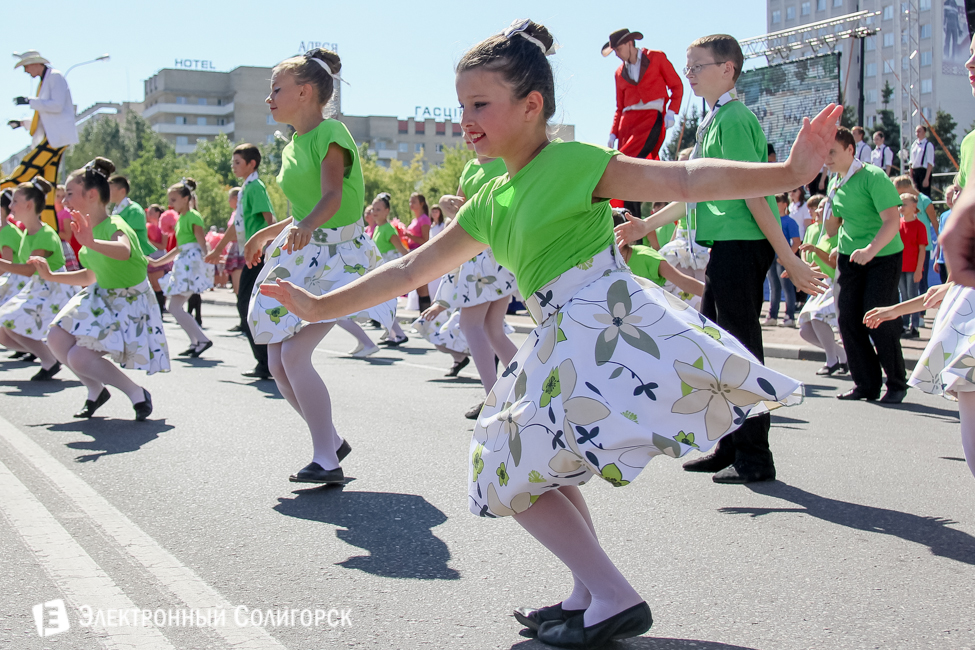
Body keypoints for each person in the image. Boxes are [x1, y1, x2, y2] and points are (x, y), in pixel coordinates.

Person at [260, 20, 838, 646]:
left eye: (481, 104)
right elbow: (407, 268)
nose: (467, 119)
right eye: (462, 106)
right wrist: (318, 307)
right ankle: (588, 593)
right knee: (538, 468)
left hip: (601, 322)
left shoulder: (571, 162)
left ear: (532, 105)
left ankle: (614, 596)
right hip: (561, 331)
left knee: (505, 466)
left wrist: (789, 172)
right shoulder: (490, 197)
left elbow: (685, 180)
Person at [617, 33, 828, 484]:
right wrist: (643, 227)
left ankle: (754, 455)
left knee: (739, 351)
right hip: (726, 247)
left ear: (727, 69)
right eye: (687, 67)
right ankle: (730, 445)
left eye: (696, 67)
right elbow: (693, 191)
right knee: (716, 349)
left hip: (742, 246)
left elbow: (753, 192)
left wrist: (787, 256)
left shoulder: (733, 120)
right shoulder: (713, 120)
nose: (688, 75)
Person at [244, 47, 401, 484]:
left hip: (338, 257)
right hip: (304, 253)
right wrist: (265, 233)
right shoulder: (293, 143)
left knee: (295, 355)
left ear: (305, 91)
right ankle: (329, 440)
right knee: (276, 362)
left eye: (276, 89)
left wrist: (305, 225)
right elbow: (302, 209)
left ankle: (326, 460)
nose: (269, 98)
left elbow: (332, 197)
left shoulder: (332, 132)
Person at [31, 157, 168, 420]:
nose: (65, 200)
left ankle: (137, 393)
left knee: (80, 358)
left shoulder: (115, 224)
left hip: (128, 302)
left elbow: (124, 250)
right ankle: (95, 391)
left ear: (92, 195)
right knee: (56, 338)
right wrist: (50, 275)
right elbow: (91, 275)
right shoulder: (88, 231)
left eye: (70, 194)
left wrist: (91, 242)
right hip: (101, 297)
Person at [425, 153, 519, 419]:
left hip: (490, 252)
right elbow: (461, 213)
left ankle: (495, 399)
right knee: (491, 329)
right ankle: (526, 390)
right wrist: (445, 202)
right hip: (480, 254)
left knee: (472, 325)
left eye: (480, 108)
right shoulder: (469, 167)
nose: (469, 128)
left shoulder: (506, 161)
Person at [826, 127, 908, 404]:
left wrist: (871, 249)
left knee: (877, 318)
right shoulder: (834, 182)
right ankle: (866, 384)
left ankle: (896, 382)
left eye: (832, 152)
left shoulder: (874, 176)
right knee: (847, 318)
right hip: (850, 258)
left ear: (851, 150)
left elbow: (891, 221)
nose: (827, 157)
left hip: (882, 255)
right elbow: (832, 227)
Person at [204, 145, 276, 379]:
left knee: (247, 307)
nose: (233, 166)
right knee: (247, 306)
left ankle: (268, 363)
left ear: (251, 164)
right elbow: (237, 227)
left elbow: (269, 219)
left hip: (258, 257)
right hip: (250, 256)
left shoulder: (255, 187)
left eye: (237, 162)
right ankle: (267, 363)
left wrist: (266, 249)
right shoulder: (246, 188)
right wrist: (217, 250)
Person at [0, 177, 77, 379]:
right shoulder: (27, 233)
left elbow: (28, 270)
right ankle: (50, 355)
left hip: (53, 289)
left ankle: (50, 359)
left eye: (15, 201)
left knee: (8, 321)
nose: (10, 206)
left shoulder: (44, 234)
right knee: (4, 332)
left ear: (29, 204)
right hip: (38, 287)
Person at [604, 28, 683, 218]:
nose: (616, 54)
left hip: (650, 119)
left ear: (630, 43)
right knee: (627, 173)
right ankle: (630, 221)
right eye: (614, 51)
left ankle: (634, 222)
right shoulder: (619, 72)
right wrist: (613, 132)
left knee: (629, 170)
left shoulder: (656, 58)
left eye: (618, 49)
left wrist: (672, 110)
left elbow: (676, 85)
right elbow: (620, 107)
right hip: (627, 126)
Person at [2, 51, 79, 231]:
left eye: (26, 66)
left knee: (24, 171)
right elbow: (45, 117)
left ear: (37, 64)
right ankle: (51, 231)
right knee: (48, 187)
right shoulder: (46, 81)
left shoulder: (55, 77)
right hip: (54, 137)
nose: (26, 71)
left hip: (56, 139)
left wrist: (30, 101)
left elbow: (57, 106)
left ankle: (3, 187)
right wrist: (22, 123)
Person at [148, 179, 214, 357]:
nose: (170, 203)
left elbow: (201, 242)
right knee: (175, 307)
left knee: (175, 307)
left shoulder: (192, 216)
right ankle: (196, 341)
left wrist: (208, 263)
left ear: (186, 199)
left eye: (174, 199)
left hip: (190, 264)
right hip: (184, 261)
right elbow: (179, 247)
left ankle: (201, 339)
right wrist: (158, 262)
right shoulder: (181, 219)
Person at [796, 194, 848, 375]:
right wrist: (800, 274)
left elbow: (835, 265)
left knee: (818, 316)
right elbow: (816, 264)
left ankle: (832, 360)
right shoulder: (822, 235)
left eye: (824, 207)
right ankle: (842, 355)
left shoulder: (842, 234)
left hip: (838, 285)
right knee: (805, 330)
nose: (819, 210)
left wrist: (816, 250)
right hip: (823, 285)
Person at [764, 194, 801, 327]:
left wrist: (786, 257)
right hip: (771, 257)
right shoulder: (772, 220)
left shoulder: (790, 221)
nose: (775, 204)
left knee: (787, 288)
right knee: (774, 287)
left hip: (782, 259)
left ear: (785, 204)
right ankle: (772, 316)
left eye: (777, 202)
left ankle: (789, 316)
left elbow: (796, 242)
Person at [896, 193, 928, 339]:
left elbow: (922, 249)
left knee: (912, 296)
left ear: (914, 206)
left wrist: (919, 269)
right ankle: (903, 325)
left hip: (913, 267)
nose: (901, 207)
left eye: (904, 204)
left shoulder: (919, 226)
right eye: (900, 204)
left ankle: (914, 326)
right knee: (903, 296)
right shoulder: (897, 224)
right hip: (900, 267)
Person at [108, 176, 155, 260]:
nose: (107, 192)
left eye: (110, 190)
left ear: (122, 191)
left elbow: (128, 234)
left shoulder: (134, 210)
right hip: (125, 256)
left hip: (137, 257)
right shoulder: (116, 210)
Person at [405, 192, 433, 311]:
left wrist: (409, 236)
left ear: (422, 204)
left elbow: (425, 240)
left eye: (414, 201)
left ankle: (426, 322)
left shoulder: (424, 219)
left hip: (421, 254)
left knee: (422, 289)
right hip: (413, 253)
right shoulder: (414, 220)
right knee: (418, 289)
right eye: (410, 201)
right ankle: (422, 321)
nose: (411, 204)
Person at [934, 183, 962, 284]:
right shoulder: (943, 216)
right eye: (948, 197)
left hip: (957, 261)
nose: (950, 200)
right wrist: (937, 258)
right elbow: (940, 238)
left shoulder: (964, 216)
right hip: (943, 260)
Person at [910, 125, 936, 199]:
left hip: (923, 171)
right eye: (916, 131)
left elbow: (930, 162)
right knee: (915, 194)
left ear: (924, 132)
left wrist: (926, 178)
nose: (917, 133)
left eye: (919, 131)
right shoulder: (914, 145)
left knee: (925, 194)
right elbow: (911, 161)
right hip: (915, 171)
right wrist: (911, 174)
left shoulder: (928, 145)